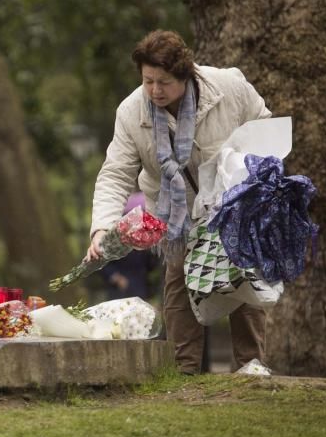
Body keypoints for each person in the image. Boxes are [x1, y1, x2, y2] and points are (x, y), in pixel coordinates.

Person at [86, 30, 271, 374]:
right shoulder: (130, 112)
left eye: (165, 82)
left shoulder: (227, 87)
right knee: (180, 289)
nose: (155, 90)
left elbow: (263, 125)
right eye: (148, 80)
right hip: (175, 217)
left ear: (186, 75)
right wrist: (101, 229)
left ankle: (251, 366)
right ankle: (183, 372)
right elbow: (115, 174)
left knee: (245, 288)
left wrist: (253, 180)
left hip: (231, 206)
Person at [101, 193, 154, 300]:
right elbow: (103, 262)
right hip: (119, 290)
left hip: (140, 287)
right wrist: (116, 278)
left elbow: (150, 265)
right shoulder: (115, 237)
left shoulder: (144, 239)